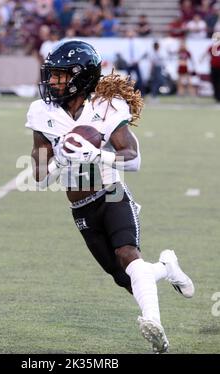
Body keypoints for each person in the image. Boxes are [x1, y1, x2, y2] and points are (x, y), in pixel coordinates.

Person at [25, 40, 195, 353]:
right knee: (124, 277)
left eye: (60, 75)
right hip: (80, 207)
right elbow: (37, 178)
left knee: (128, 255)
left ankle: (155, 328)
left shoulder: (106, 104)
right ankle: (167, 268)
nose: (52, 81)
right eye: (52, 75)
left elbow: (134, 158)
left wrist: (95, 154)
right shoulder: (41, 111)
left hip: (112, 191)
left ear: (81, 76)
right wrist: (59, 159)